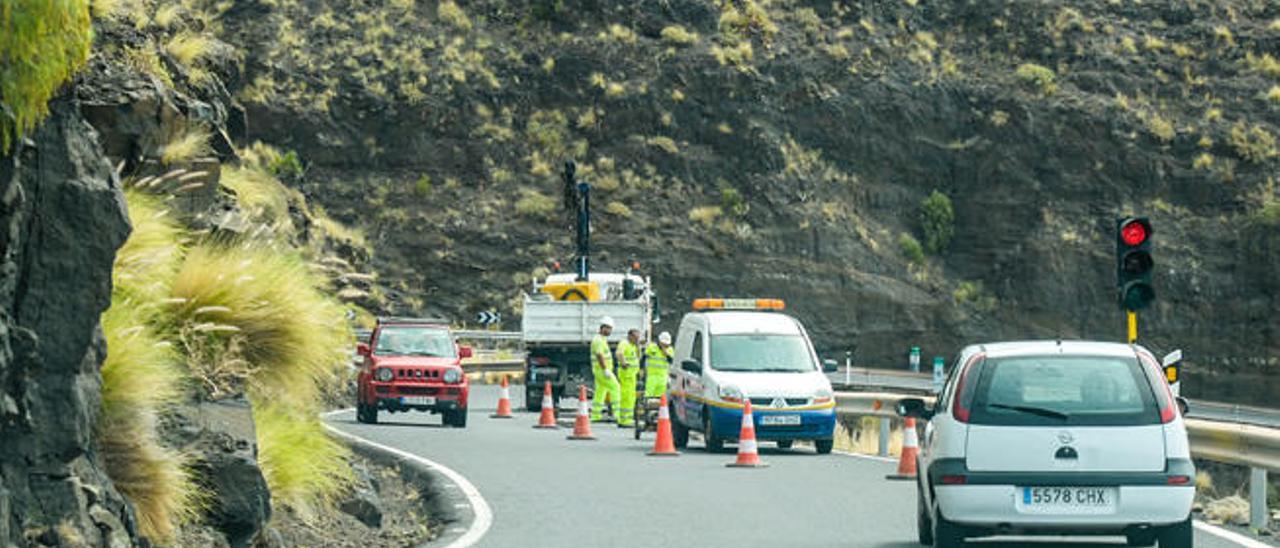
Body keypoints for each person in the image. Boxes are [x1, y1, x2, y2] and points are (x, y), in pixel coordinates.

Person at [590, 317, 621, 422]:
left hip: (600, 370)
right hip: (602, 371)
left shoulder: (601, 339)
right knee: (615, 388)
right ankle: (617, 414)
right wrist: (605, 369)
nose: (609, 331)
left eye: (610, 329)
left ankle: (595, 415)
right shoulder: (598, 340)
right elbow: (599, 355)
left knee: (600, 392)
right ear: (602, 328)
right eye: (608, 328)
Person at [614, 328, 642, 427]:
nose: (637, 340)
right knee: (626, 397)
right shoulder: (624, 343)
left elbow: (638, 357)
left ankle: (626, 419)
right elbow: (619, 353)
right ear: (630, 336)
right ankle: (625, 420)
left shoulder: (633, 346)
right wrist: (623, 363)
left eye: (638, 338)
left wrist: (638, 346)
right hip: (626, 375)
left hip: (631, 375)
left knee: (631, 397)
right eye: (635, 338)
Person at [644, 331, 674, 398]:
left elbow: (672, 361)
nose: (665, 345)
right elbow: (644, 357)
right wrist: (642, 370)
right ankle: (648, 406)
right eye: (663, 343)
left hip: (663, 377)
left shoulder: (670, 350)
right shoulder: (652, 347)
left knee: (660, 397)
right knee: (649, 394)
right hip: (652, 375)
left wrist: (667, 354)